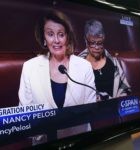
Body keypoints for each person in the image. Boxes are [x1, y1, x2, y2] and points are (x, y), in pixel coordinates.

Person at [18, 9, 97, 144]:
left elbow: (90, 111)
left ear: (67, 37)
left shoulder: (84, 67)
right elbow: (25, 116)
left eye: (61, 34)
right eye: (50, 34)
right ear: (44, 38)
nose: (56, 40)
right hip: (44, 143)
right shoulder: (29, 67)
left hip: (79, 141)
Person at [79, 19, 131, 100]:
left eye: (99, 43)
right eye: (92, 43)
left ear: (104, 39)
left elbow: (126, 89)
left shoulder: (113, 62)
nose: (96, 47)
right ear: (86, 40)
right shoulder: (78, 65)